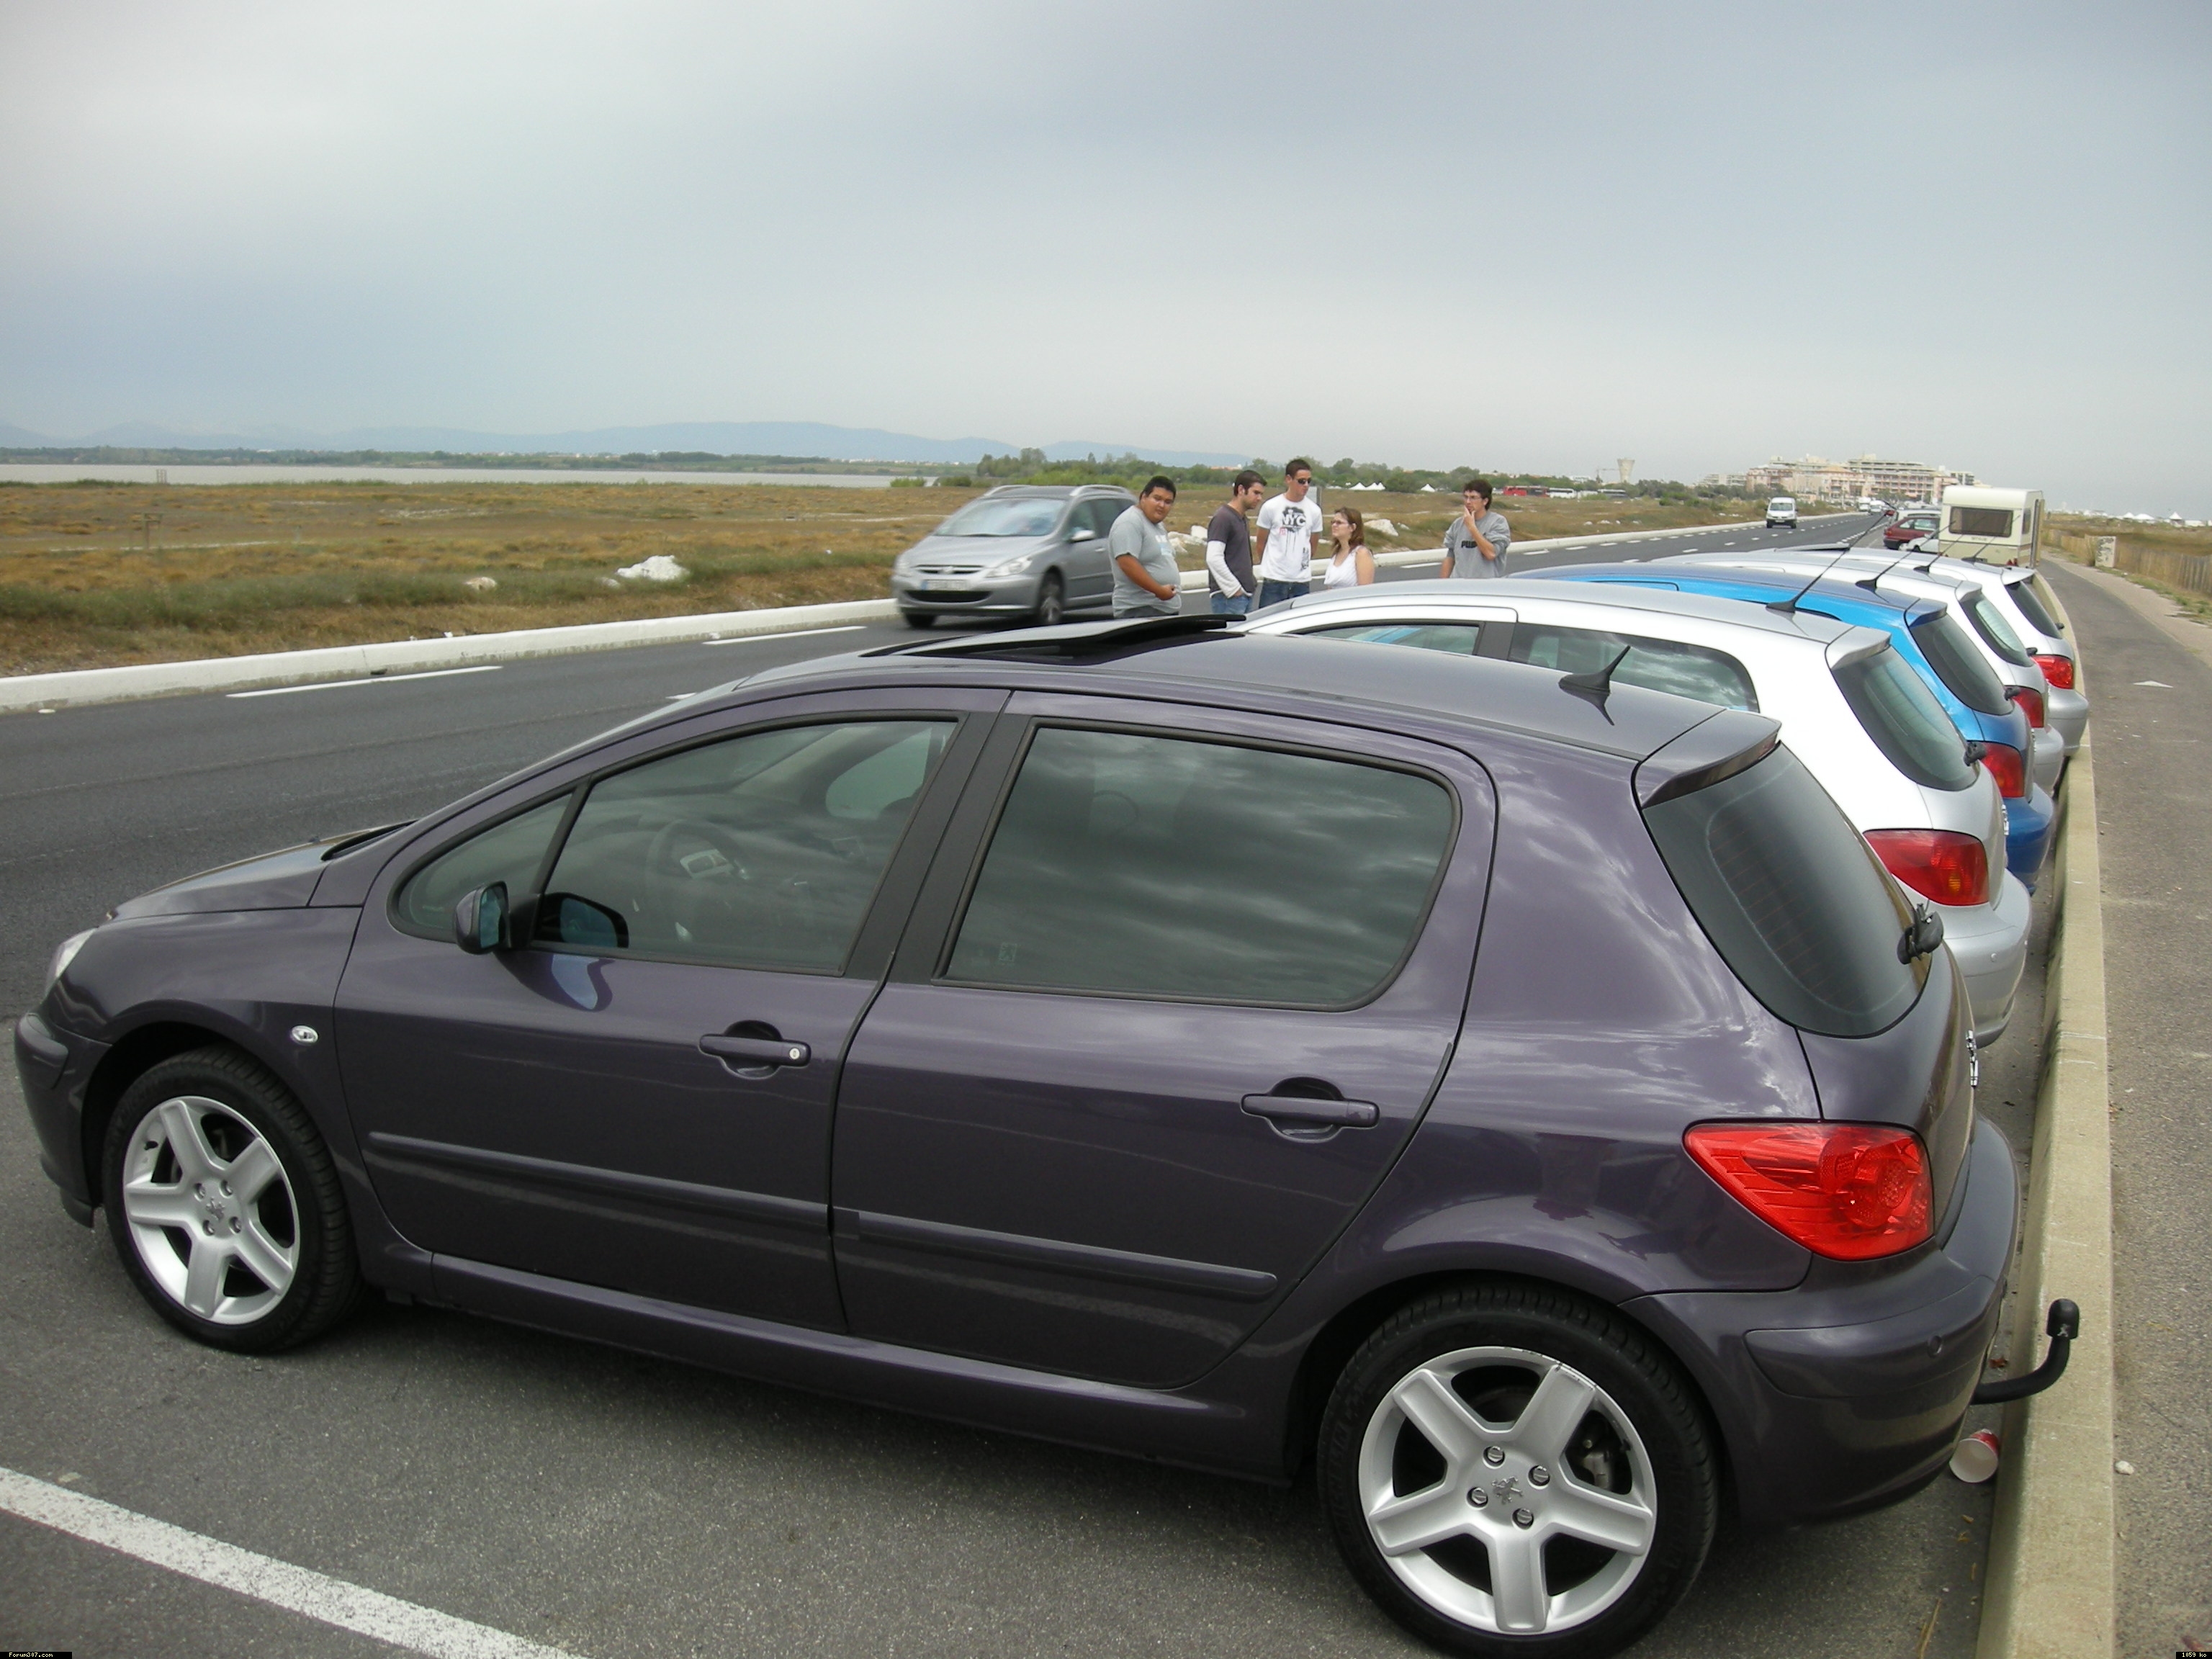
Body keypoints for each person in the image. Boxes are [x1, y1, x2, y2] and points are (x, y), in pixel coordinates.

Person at [1254, 459, 1324, 609]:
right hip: (1274, 580)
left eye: (1309, 481)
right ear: (1288, 480)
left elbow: (1313, 545)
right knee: (1268, 619)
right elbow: (1261, 543)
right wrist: (1273, 564)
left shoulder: (1314, 511)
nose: (1306, 485)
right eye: (1301, 481)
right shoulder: (1271, 507)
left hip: (1301, 581)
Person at [1109, 475, 1182, 618]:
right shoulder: (1130, 522)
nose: (1162, 505)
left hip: (1161, 609)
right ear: (1143, 497)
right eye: (1157, 499)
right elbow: (1127, 563)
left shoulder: (1158, 525)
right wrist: (1159, 591)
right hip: (1141, 609)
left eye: (1168, 502)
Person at [1205, 470, 1266, 614]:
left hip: (1242, 596)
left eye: (1261, 494)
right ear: (1241, 490)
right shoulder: (1223, 518)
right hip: (1229, 598)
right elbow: (1213, 557)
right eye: (1256, 493)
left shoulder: (1241, 518)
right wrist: (1234, 590)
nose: (1259, 498)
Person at [1441, 477, 1511, 578]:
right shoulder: (1458, 524)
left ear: (1485, 501)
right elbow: (1450, 557)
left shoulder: (1498, 522)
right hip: (1459, 583)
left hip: (1484, 585)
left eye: (1473, 498)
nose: (1468, 502)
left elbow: (1491, 554)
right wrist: (1444, 584)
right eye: (1466, 497)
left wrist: (1472, 527)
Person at [1322, 508, 1375, 588]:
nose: (1334, 525)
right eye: (1333, 522)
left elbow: (1365, 590)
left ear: (1352, 527)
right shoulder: (1337, 553)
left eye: (1339, 523)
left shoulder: (1361, 554)